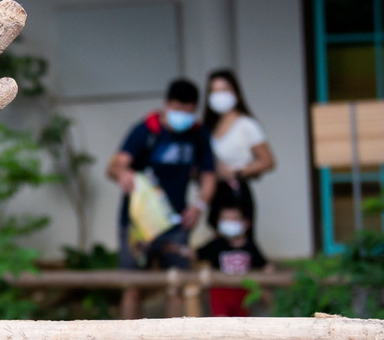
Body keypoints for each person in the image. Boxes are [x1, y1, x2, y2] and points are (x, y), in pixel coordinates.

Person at [107, 78, 215, 319]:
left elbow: (208, 176)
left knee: (175, 284)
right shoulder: (146, 130)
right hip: (137, 223)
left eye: (188, 111)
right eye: (177, 109)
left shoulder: (198, 135)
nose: (182, 116)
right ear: (167, 104)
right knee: (134, 286)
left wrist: (199, 207)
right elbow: (115, 166)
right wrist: (123, 174)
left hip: (175, 223)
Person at [202, 68, 275, 238]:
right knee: (218, 245)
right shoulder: (208, 126)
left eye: (224, 90)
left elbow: (267, 161)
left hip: (237, 191)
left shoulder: (246, 124)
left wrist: (236, 171)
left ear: (235, 92)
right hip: (215, 191)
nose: (219, 95)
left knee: (239, 242)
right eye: (214, 91)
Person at [197, 202, 273, 317]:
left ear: (246, 223)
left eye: (233, 219)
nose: (229, 223)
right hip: (220, 291)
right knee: (221, 322)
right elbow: (195, 254)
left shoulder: (250, 245)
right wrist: (179, 250)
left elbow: (264, 264)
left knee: (241, 323)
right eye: (225, 220)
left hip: (242, 292)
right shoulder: (216, 244)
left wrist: (267, 282)